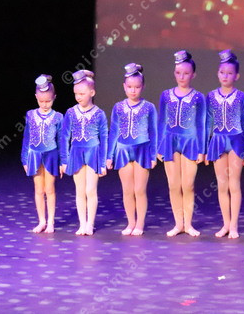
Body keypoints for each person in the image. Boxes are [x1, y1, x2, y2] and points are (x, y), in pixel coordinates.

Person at [158, 50, 206, 237]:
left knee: (188, 185)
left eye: (186, 73)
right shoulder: (166, 95)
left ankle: (189, 224)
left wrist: (202, 149)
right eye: (178, 73)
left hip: (190, 142)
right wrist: (159, 147)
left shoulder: (198, 97)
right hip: (170, 141)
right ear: (174, 73)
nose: (182, 77)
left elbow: (201, 124)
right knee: (173, 185)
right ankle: (178, 224)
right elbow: (161, 121)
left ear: (193, 75)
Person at [107, 63, 158, 236]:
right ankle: (131, 222)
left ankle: (140, 224)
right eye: (129, 87)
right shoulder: (118, 107)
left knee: (139, 190)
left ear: (143, 86)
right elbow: (113, 132)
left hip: (142, 150)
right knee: (127, 190)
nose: (133, 90)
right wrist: (109, 155)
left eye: (137, 87)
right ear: (124, 86)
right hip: (122, 150)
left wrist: (153, 155)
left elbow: (153, 132)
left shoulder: (149, 107)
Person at [205, 50, 244, 239]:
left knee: (234, 184)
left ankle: (234, 225)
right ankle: (225, 224)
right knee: (222, 185)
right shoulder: (211, 96)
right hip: (218, 140)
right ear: (217, 74)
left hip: (236, 141)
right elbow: (207, 122)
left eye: (230, 73)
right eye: (222, 72)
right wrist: (206, 149)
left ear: (236, 76)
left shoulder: (241, 97)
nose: (225, 76)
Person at [60, 70, 108, 236]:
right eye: (76, 94)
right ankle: (82, 224)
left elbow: (104, 138)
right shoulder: (71, 113)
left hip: (93, 153)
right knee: (80, 190)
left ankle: (90, 224)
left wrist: (103, 162)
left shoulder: (99, 114)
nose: (78, 97)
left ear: (92, 93)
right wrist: (64, 160)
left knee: (90, 190)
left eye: (82, 93)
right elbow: (64, 137)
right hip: (76, 153)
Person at [21, 75, 63, 233]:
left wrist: (62, 162)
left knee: (49, 189)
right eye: (41, 101)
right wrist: (25, 159)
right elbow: (26, 138)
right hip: (34, 155)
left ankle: (51, 221)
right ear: (36, 97)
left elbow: (61, 141)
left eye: (48, 101)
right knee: (38, 189)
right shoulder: (30, 115)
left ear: (54, 98)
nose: (45, 105)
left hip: (51, 155)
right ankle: (41, 221)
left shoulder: (58, 117)